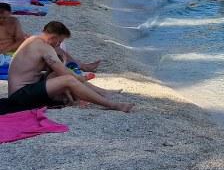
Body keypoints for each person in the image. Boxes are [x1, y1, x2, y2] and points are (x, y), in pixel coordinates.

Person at [0, 21, 133, 115]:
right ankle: (112, 105)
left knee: (60, 76)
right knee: (69, 79)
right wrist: (81, 78)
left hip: (23, 90)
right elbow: (64, 73)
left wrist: (65, 65)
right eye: (59, 41)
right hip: (20, 96)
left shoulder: (34, 40)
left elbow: (54, 71)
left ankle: (101, 93)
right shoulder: (44, 46)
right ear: (53, 37)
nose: (59, 45)